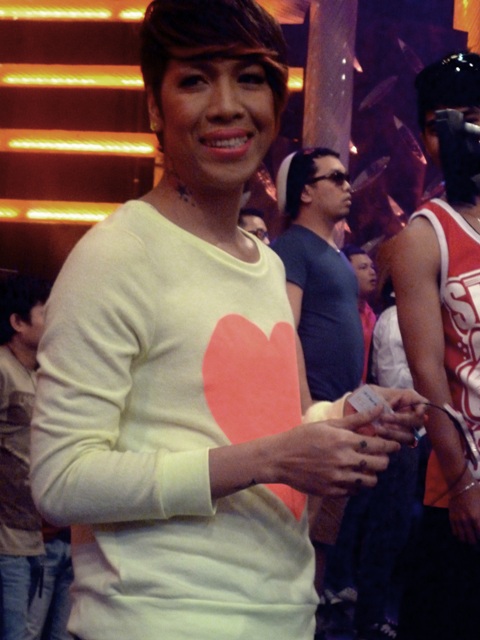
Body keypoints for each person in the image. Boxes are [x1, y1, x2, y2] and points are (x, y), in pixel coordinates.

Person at [29, 3, 425, 639]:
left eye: (249, 79)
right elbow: (61, 478)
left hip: (282, 616)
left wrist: (347, 417)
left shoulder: (266, 265)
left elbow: (271, 429)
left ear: (276, 102)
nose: (226, 106)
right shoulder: (118, 253)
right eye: (194, 80)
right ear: (155, 108)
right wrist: (268, 459)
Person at [391, 51, 480, 640]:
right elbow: (427, 374)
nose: (456, 132)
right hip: (464, 482)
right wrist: (463, 483)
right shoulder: (425, 235)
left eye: (470, 116)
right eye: (438, 122)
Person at [272, 148, 364, 634]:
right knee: (299, 534)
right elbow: (284, 327)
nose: (348, 185)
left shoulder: (335, 255)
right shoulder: (293, 247)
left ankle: (305, 625)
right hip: (312, 413)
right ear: (306, 191)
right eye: (336, 177)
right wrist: (303, 402)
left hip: (339, 413)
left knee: (323, 536)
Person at [0, 272, 51, 640]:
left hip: (38, 534)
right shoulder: (2, 368)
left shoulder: (41, 375)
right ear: (18, 322)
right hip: (6, 540)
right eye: (45, 313)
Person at [342, 244, 377, 383]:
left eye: (372, 267)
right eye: (363, 267)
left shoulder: (371, 314)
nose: (372, 272)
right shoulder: (340, 315)